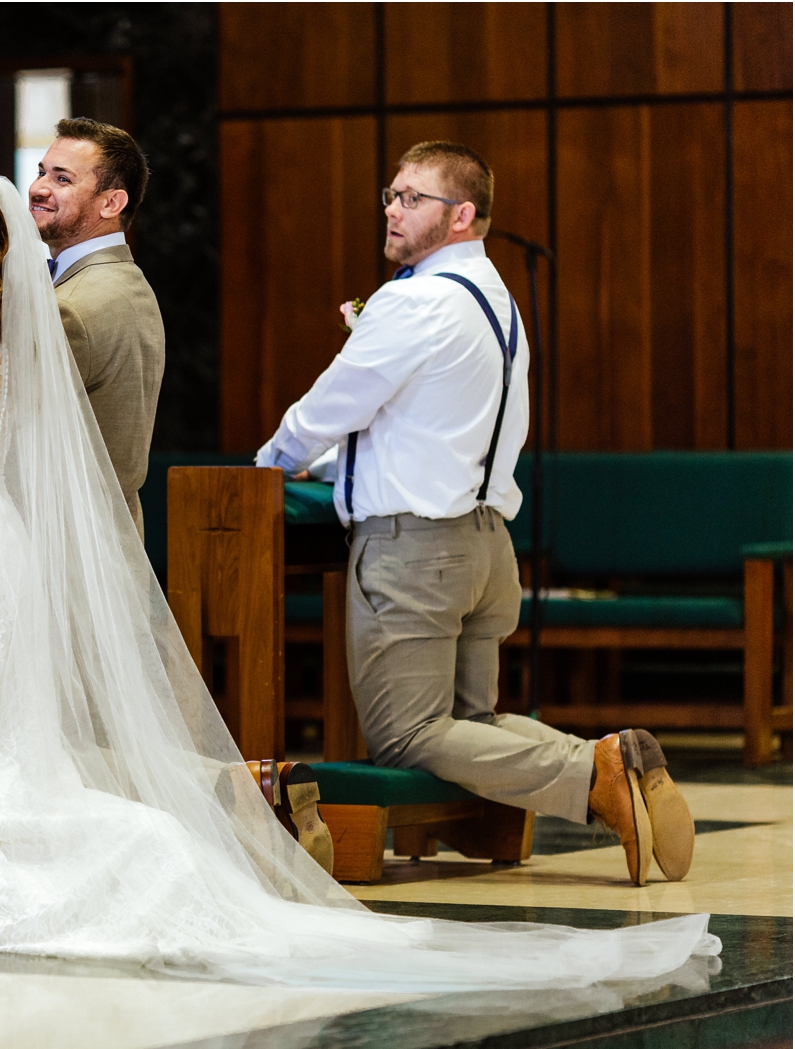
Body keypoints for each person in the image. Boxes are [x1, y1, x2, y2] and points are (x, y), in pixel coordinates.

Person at [0, 159, 715, 988]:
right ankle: (560, 775)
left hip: (385, 542)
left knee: (408, 726)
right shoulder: (493, 301)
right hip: (472, 535)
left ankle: (573, 775)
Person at [253, 141, 694, 887]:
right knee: (471, 725)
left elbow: (329, 408)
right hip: (487, 548)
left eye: (412, 197)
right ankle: (612, 762)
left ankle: (598, 767)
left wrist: (267, 466)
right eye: (389, 194)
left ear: (461, 215)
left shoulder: (415, 300)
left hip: (416, 550)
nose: (393, 209)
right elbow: (420, 421)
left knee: (406, 734)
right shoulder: (499, 302)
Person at [28, 118, 165, 535]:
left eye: (62, 178)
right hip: (110, 534)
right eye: (41, 172)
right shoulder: (126, 281)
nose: (38, 188)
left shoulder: (72, 306)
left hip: (65, 540)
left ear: (111, 203)